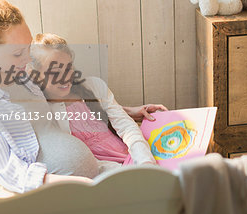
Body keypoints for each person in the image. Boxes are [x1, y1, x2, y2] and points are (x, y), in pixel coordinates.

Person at [0, 0, 166, 193]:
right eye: (18, 53)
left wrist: (123, 110)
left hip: (99, 175)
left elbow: (69, 103)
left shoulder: (21, 76)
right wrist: (87, 186)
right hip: (69, 193)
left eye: (28, 48)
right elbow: (14, 175)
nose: (27, 59)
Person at [28, 33, 161, 169]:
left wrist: (145, 161)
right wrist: (124, 171)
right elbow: (84, 164)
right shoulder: (45, 115)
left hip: (136, 156)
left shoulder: (94, 87)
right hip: (109, 172)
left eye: (68, 68)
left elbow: (126, 125)